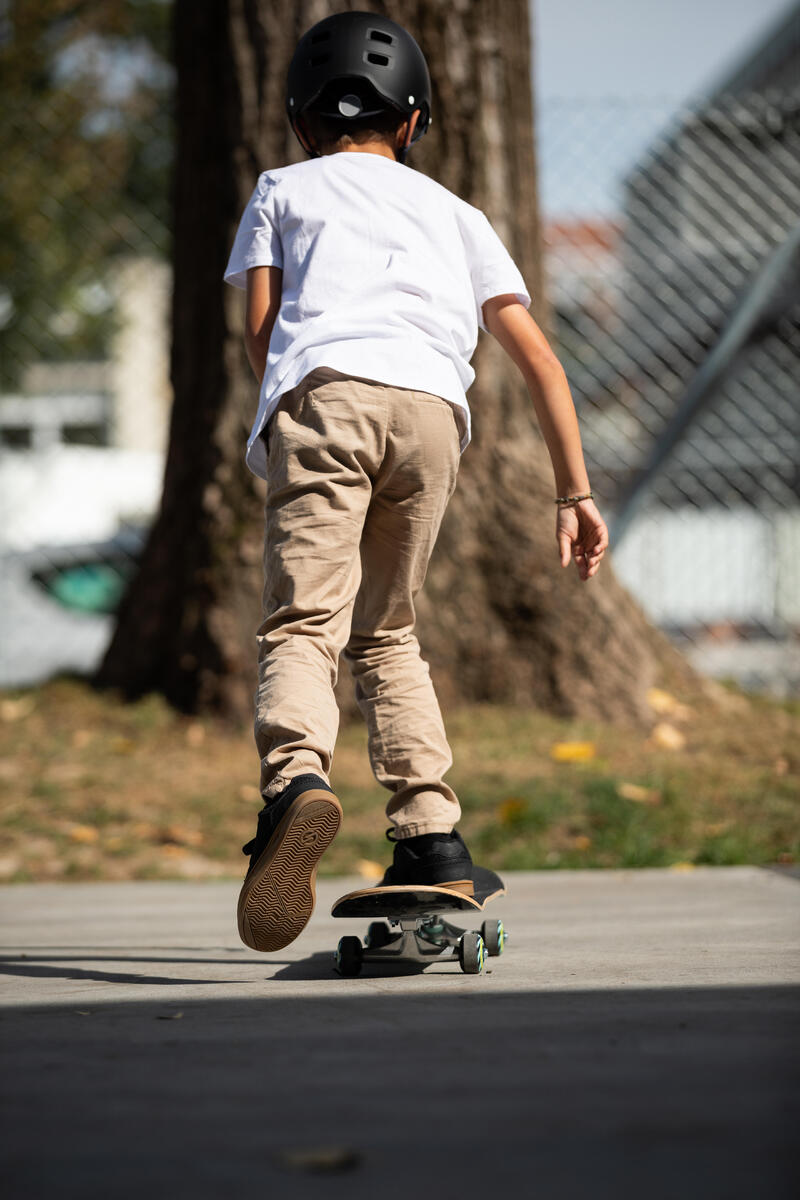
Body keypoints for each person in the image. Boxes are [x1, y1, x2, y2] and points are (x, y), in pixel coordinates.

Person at [224, 11, 608, 954]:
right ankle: (432, 838)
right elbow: (543, 363)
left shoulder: (282, 187)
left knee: (306, 620)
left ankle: (295, 788)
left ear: (302, 121)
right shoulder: (458, 214)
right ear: (412, 122)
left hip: (332, 400)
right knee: (388, 629)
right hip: (434, 417)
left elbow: (261, 334)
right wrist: (575, 493)